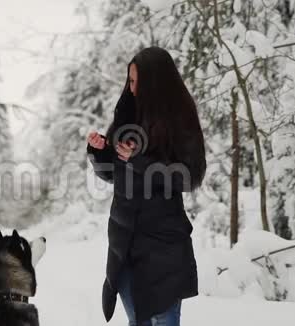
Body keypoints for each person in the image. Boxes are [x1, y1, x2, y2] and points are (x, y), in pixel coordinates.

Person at [86, 47, 206, 326]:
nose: (132, 87)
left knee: (163, 319)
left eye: (139, 81)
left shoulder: (180, 118)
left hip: (163, 244)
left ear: (156, 82)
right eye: (130, 80)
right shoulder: (127, 115)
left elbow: (190, 176)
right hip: (125, 244)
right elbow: (113, 174)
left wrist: (140, 161)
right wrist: (99, 152)